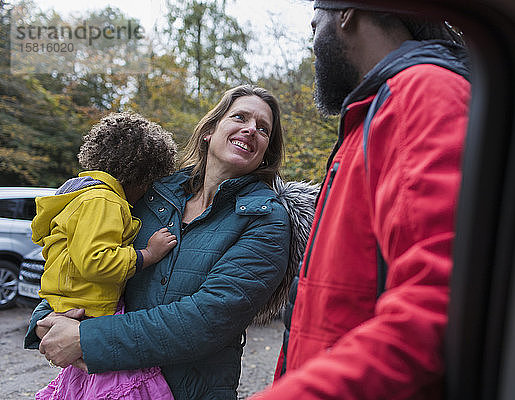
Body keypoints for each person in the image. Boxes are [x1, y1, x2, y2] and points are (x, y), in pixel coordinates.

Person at [25, 85, 317, 400]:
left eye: (263, 129)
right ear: (210, 130)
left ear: (265, 154)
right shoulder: (153, 195)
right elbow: (82, 255)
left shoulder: (266, 219)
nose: (251, 129)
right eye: (240, 117)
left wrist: (88, 340)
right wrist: (47, 317)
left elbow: (210, 317)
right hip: (107, 386)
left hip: (190, 391)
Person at [252, 2, 471, 399]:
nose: (311, 41)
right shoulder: (371, 114)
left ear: (347, 15)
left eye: (315, 25)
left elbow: (439, 301)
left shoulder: (420, 93)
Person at [31, 112, 178, 399]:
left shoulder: (82, 194)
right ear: (140, 176)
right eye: (149, 183)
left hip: (71, 303)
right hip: (89, 308)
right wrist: (147, 254)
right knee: (120, 385)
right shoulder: (104, 200)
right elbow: (95, 261)